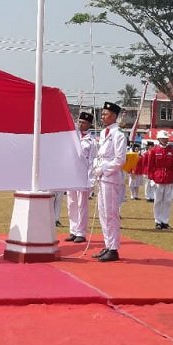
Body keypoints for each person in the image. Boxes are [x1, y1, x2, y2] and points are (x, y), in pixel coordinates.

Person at [91, 102, 126, 262]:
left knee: (111, 213)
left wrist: (104, 169)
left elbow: (120, 160)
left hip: (111, 178)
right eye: (102, 114)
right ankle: (108, 244)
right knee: (103, 213)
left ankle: (113, 248)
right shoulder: (105, 133)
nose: (102, 116)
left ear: (113, 116)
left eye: (105, 114)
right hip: (102, 178)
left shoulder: (118, 134)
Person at [65, 111, 96, 244]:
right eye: (80, 121)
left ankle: (81, 232)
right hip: (72, 175)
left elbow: (93, 161)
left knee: (81, 204)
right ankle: (73, 230)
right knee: (71, 203)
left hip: (84, 176)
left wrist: (92, 179)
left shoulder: (92, 141)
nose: (81, 124)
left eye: (84, 122)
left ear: (89, 124)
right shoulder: (73, 137)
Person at [148, 131, 173, 230]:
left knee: (167, 201)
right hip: (158, 178)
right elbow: (150, 166)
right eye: (163, 138)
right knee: (158, 200)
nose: (165, 140)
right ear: (159, 139)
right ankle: (158, 221)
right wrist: (151, 178)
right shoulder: (154, 150)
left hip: (168, 178)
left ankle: (165, 221)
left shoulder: (171, 151)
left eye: (166, 138)